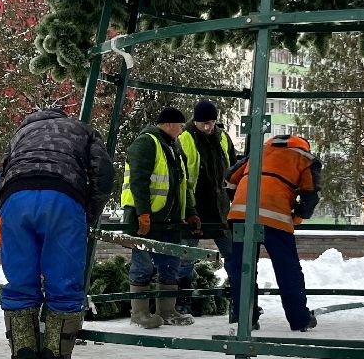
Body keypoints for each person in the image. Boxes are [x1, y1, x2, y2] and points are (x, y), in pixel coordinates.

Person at [0, 107, 114, 359]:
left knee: (20, 283)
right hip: (62, 198)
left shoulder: (21, 133)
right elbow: (103, 172)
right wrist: (90, 212)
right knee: (63, 282)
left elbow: (1, 172)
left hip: (15, 199)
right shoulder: (82, 130)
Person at [225, 133, 322, 332]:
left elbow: (229, 179)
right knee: (288, 269)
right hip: (275, 216)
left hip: (240, 214)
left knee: (242, 268)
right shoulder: (304, 158)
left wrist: (241, 200)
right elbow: (310, 194)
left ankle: (245, 318)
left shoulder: (258, 153)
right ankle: (300, 319)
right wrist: (299, 214)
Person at [122, 107, 198, 328]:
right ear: (168, 124)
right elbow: (138, 181)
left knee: (170, 265)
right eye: (180, 125)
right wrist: (143, 213)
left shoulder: (174, 147)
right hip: (147, 218)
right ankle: (139, 314)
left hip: (170, 220)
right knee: (142, 264)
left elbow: (183, 185)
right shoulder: (147, 143)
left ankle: (167, 310)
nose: (183, 129)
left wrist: (190, 212)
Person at [176, 99, 237, 316]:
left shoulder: (223, 138)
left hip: (220, 209)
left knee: (233, 254)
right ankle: (182, 300)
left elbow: (233, 168)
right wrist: (187, 209)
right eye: (204, 123)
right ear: (196, 121)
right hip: (194, 208)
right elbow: (181, 175)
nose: (209, 127)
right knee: (186, 256)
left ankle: (239, 298)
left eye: (212, 122)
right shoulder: (185, 138)